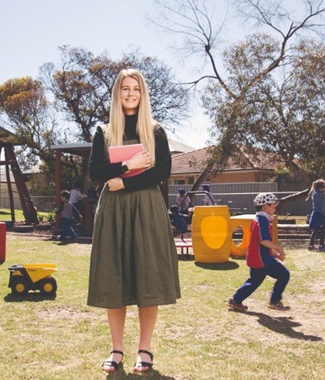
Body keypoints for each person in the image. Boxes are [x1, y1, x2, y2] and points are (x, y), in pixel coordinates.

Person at [88, 68, 180, 374]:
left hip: (146, 206)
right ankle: (116, 350)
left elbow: (162, 172)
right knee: (114, 277)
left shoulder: (155, 131)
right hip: (113, 207)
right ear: (118, 93)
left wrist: (124, 180)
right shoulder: (103, 131)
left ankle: (145, 350)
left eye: (136, 89)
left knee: (147, 276)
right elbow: (96, 173)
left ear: (143, 94)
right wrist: (128, 164)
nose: (130, 94)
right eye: (125, 88)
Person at [228, 193, 290, 311]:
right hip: (261, 259)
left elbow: (261, 242)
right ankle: (275, 301)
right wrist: (279, 249)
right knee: (284, 274)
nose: (275, 208)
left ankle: (236, 300)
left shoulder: (261, 219)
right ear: (265, 207)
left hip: (257, 257)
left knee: (254, 281)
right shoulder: (262, 221)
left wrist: (274, 254)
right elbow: (263, 241)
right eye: (273, 205)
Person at [306, 179, 325, 251]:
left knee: (323, 228)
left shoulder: (316, 192)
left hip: (320, 213)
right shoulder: (319, 193)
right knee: (316, 230)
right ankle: (311, 245)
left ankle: (321, 245)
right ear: (321, 187)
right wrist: (323, 181)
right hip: (318, 214)